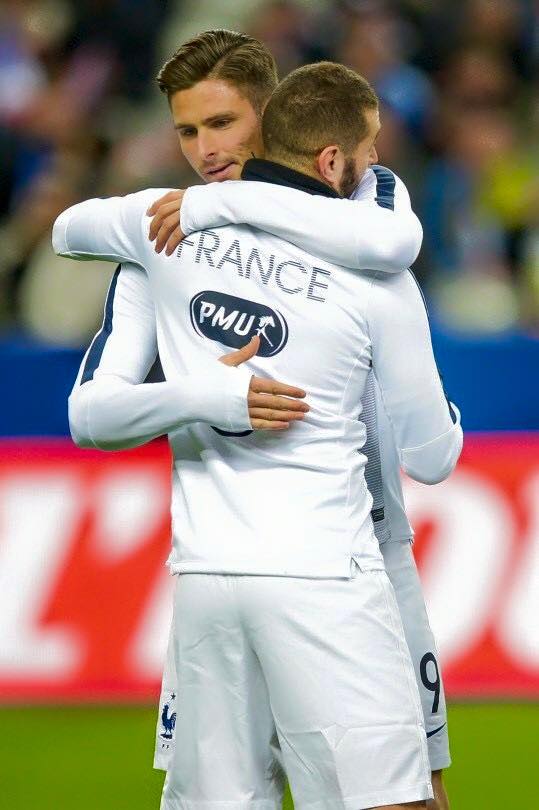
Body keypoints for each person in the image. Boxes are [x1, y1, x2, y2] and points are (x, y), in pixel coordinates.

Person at [53, 58, 463, 809]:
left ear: (272, 119)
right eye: (187, 132)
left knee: (418, 790)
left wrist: (220, 205)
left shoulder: (361, 210)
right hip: (284, 567)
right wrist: (210, 394)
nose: (206, 150)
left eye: (222, 124)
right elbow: (89, 403)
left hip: (371, 551)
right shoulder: (161, 238)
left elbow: (394, 239)